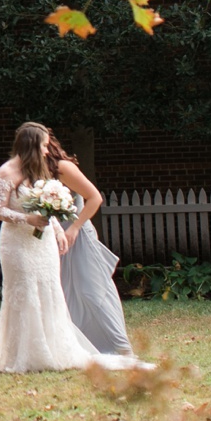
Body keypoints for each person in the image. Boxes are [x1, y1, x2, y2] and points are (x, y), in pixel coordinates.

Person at [0, 121, 141, 373]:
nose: (47, 149)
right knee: (25, 293)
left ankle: (58, 347)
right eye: (43, 145)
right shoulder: (7, 173)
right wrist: (30, 220)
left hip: (44, 244)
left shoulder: (39, 171)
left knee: (54, 291)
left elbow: (50, 209)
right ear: (32, 146)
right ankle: (25, 352)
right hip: (17, 243)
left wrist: (57, 229)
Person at [45, 128, 135, 357]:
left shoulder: (63, 168)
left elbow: (95, 198)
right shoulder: (37, 172)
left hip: (79, 234)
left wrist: (75, 228)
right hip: (58, 237)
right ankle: (79, 342)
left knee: (92, 289)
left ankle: (119, 344)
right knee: (66, 290)